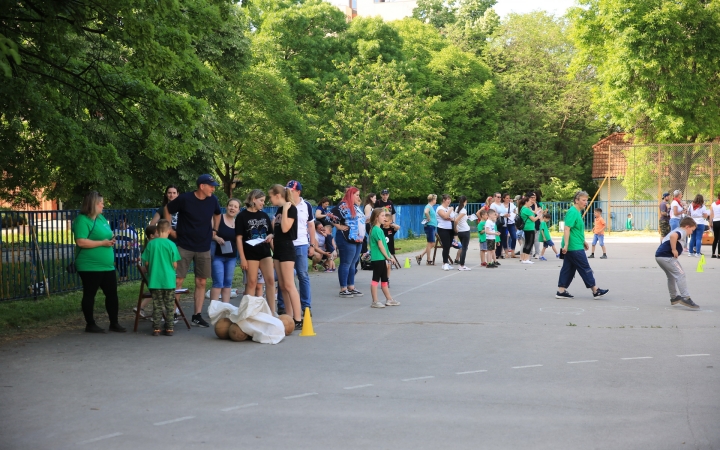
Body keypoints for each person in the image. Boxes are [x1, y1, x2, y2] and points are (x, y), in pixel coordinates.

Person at [165, 174, 222, 328]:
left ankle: (196, 315)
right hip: (184, 245)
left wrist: (215, 230)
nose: (213, 188)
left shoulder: (213, 200)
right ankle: (172, 313)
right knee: (178, 280)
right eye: (211, 186)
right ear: (202, 186)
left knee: (201, 281)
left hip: (204, 247)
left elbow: (218, 214)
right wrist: (169, 229)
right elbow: (167, 209)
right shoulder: (185, 199)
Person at [72, 191, 126, 333]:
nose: (103, 205)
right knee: (90, 293)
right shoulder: (82, 220)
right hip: (89, 265)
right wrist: (102, 243)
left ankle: (114, 322)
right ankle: (90, 324)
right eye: (100, 202)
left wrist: (109, 241)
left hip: (107, 265)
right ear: (93, 204)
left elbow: (106, 235)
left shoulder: (101, 218)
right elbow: (81, 242)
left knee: (112, 293)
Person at [555, 191, 609, 300]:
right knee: (585, 267)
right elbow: (567, 228)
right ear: (576, 200)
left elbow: (576, 230)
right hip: (573, 247)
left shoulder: (577, 212)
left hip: (575, 244)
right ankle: (595, 290)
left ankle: (561, 290)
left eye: (586, 200)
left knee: (568, 268)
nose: (586, 202)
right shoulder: (573, 212)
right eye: (583, 200)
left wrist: (583, 241)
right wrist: (566, 245)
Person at [276, 180, 317, 315]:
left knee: (302, 275)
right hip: (285, 245)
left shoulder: (306, 206)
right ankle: (283, 306)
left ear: (298, 192)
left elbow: (311, 226)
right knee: (285, 278)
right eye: (286, 190)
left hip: (301, 244)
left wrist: (312, 245)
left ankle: (306, 306)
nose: (288, 192)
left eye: (291, 191)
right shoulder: (283, 206)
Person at [268, 184, 303, 329]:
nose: (269, 199)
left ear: (277, 195)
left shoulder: (291, 209)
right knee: (282, 285)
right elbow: (278, 230)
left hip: (287, 248)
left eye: (270, 196)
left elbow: (285, 228)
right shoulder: (279, 210)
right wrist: (271, 234)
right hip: (278, 248)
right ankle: (288, 316)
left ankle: (298, 317)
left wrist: (287, 210)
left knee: (289, 284)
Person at [236, 189, 275, 312]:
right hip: (250, 253)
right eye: (261, 200)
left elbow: (270, 234)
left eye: (264, 200)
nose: (263, 203)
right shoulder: (242, 216)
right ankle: (248, 311)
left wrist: (272, 240)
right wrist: (242, 258)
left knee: (270, 280)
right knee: (252, 282)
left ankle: (271, 311)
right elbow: (239, 238)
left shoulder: (264, 215)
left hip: (265, 252)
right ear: (253, 199)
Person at [141, 219, 181, 336]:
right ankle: (169, 328)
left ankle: (156, 328)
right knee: (169, 305)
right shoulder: (172, 244)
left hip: (155, 280)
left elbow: (146, 263)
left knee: (157, 304)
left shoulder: (151, 244)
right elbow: (175, 264)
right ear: (169, 231)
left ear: (157, 231)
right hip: (168, 280)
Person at [329, 187, 365, 298]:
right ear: (351, 195)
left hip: (358, 239)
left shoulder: (355, 207)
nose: (358, 197)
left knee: (353, 263)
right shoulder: (344, 205)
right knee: (346, 263)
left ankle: (351, 286)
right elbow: (330, 215)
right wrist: (339, 226)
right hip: (347, 238)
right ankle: (343, 289)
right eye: (357, 195)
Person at [655, 217, 699, 308]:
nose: (692, 232)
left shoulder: (677, 230)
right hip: (667, 257)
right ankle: (686, 297)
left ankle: (674, 297)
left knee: (671, 276)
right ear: (687, 227)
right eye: (692, 230)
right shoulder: (682, 232)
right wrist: (674, 249)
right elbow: (673, 236)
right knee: (680, 274)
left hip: (660, 256)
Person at [209, 198, 240, 303]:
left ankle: (225, 308)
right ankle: (214, 309)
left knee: (228, 284)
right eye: (231, 205)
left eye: (235, 207)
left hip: (231, 258)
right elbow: (208, 232)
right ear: (226, 207)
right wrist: (216, 238)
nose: (232, 208)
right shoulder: (218, 219)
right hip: (217, 256)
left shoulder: (238, 223)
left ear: (238, 210)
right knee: (218, 283)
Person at [368, 208, 400, 308]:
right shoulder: (376, 229)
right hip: (378, 258)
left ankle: (389, 299)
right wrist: (388, 257)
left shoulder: (380, 229)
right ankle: (375, 301)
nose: (385, 218)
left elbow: (385, 246)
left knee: (385, 279)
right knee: (375, 280)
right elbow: (380, 246)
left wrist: (390, 255)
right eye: (382, 216)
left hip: (382, 258)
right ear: (377, 218)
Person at [134, 225, 159, 318]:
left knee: (157, 292)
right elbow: (148, 264)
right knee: (160, 291)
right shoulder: (152, 247)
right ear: (152, 236)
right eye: (157, 233)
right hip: (153, 276)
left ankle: (142, 308)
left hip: (151, 276)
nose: (160, 234)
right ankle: (142, 308)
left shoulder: (149, 246)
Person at [112, 215, 138, 282]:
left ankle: (124, 280)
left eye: (121, 222)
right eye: (118, 222)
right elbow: (112, 239)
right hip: (116, 253)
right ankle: (122, 279)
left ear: (125, 222)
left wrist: (129, 245)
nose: (119, 223)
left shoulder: (132, 231)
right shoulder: (115, 231)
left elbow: (135, 243)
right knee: (118, 267)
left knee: (124, 268)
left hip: (126, 254)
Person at [518, 194, 540, 264]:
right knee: (529, 243)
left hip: (527, 227)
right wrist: (539, 216)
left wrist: (535, 204)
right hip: (529, 227)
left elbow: (535, 212)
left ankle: (524, 258)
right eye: (530, 201)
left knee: (527, 243)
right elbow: (533, 219)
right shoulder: (526, 210)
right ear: (526, 202)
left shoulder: (523, 209)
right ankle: (526, 259)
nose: (531, 202)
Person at [416, 194, 437, 265]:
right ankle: (428, 260)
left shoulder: (431, 207)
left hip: (432, 226)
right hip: (429, 226)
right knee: (430, 243)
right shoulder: (428, 206)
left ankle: (420, 256)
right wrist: (428, 218)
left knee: (432, 244)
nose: (436, 201)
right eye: (435, 199)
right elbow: (426, 212)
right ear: (433, 200)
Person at [436, 194, 455, 271]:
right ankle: (445, 263)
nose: (449, 201)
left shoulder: (448, 208)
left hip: (450, 228)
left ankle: (445, 263)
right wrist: (450, 210)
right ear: (444, 200)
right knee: (446, 246)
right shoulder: (440, 208)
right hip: (443, 228)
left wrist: (450, 217)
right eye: (448, 199)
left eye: (450, 199)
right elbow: (445, 216)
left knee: (449, 246)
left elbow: (453, 218)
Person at [454, 196, 471, 270]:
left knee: (463, 247)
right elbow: (456, 220)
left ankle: (461, 263)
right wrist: (455, 228)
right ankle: (462, 265)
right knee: (464, 248)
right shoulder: (463, 210)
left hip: (460, 231)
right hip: (465, 230)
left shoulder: (457, 208)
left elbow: (458, 218)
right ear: (465, 201)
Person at [489, 192, 507, 260]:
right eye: (498, 197)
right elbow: (494, 214)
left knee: (502, 238)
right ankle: (496, 253)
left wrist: (505, 214)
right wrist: (502, 214)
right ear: (494, 197)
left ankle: (500, 253)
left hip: (503, 222)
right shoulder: (493, 205)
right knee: (497, 238)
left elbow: (503, 212)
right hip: (497, 223)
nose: (499, 198)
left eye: (500, 197)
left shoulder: (501, 205)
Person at [710, 192, 720, 258]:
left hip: (715, 221)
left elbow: (711, 214)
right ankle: (719, 254)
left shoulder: (713, 204)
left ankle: (713, 253)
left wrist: (710, 223)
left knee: (715, 238)